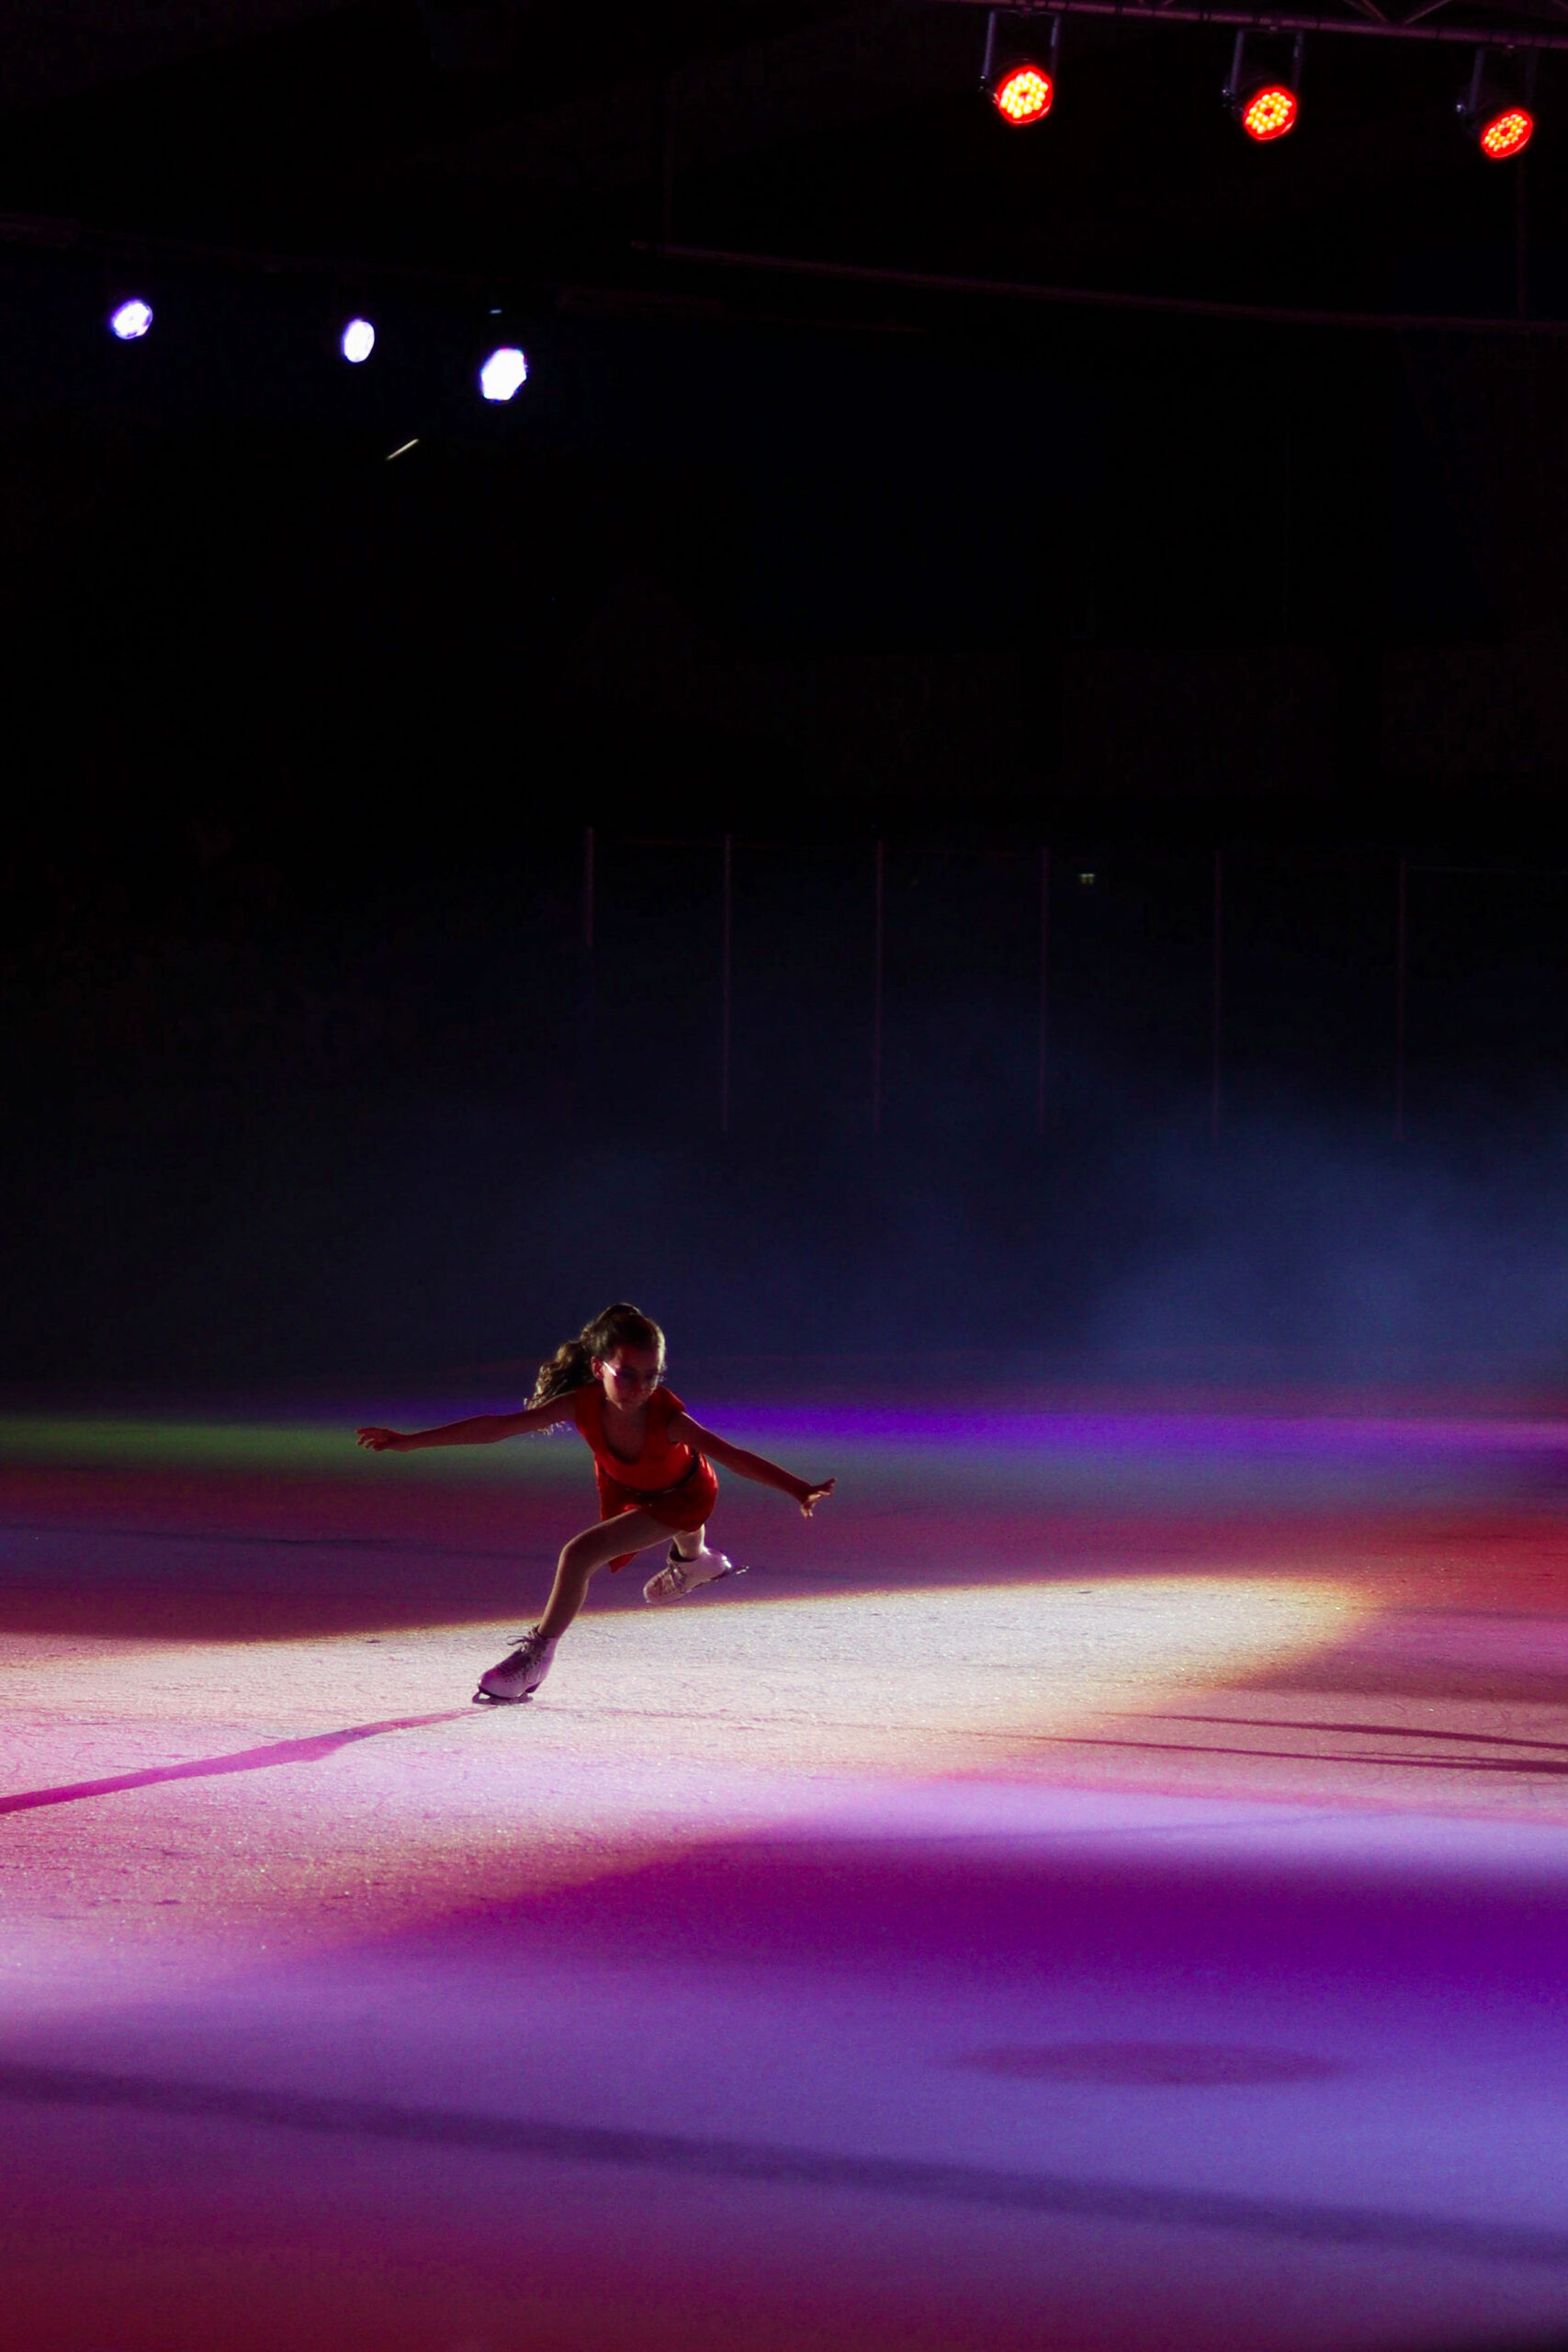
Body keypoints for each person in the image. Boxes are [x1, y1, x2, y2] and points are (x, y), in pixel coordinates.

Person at [355, 1302, 835, 1704]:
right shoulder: (580, 1403)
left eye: (652, 1375)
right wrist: (409, 1442)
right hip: (639, 1487)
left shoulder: (668, 1418)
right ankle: (698, 1562)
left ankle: (537, 1658)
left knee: (579, 1555)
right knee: (682, 1538)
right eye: (627, 1374)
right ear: (597, 1368)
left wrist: (796, 1487)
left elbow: (732, 1456)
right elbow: (497, 1427)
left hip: (682, 1496)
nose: (642, 1386)